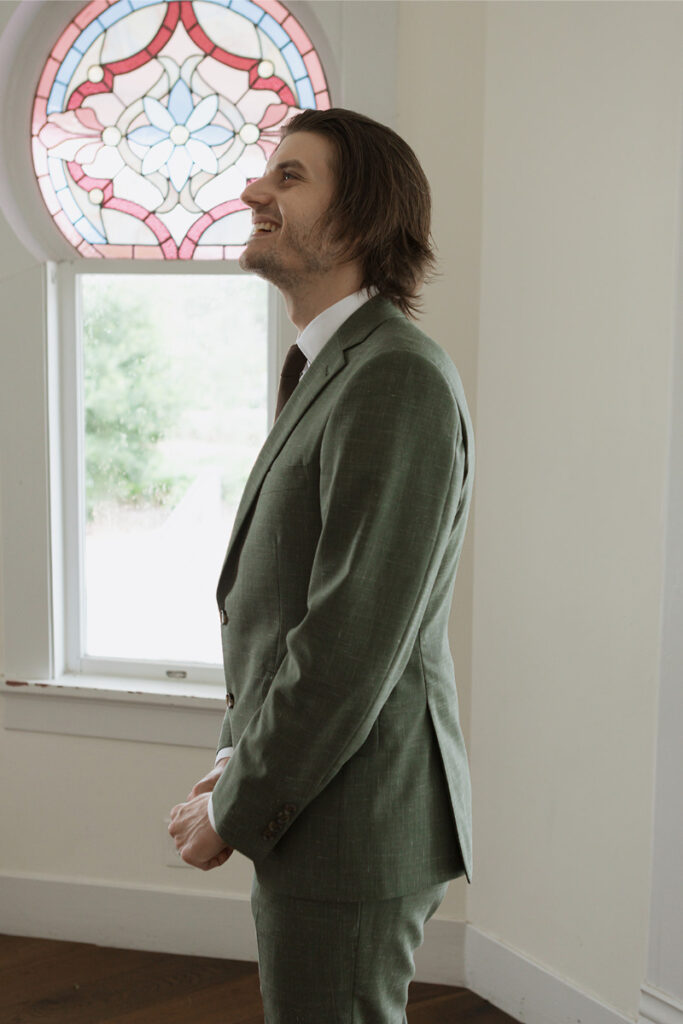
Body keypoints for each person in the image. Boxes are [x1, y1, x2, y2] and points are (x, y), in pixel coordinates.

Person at [169, 107, 475, 1023]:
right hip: (320, 796)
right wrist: (236, 762)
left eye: (290, 176)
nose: (254, 190)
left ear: (363, 218)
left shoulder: (395, 376)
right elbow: (293, 609)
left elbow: (347, 641)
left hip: (354, 817)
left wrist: (234, 806)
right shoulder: (333, 363)